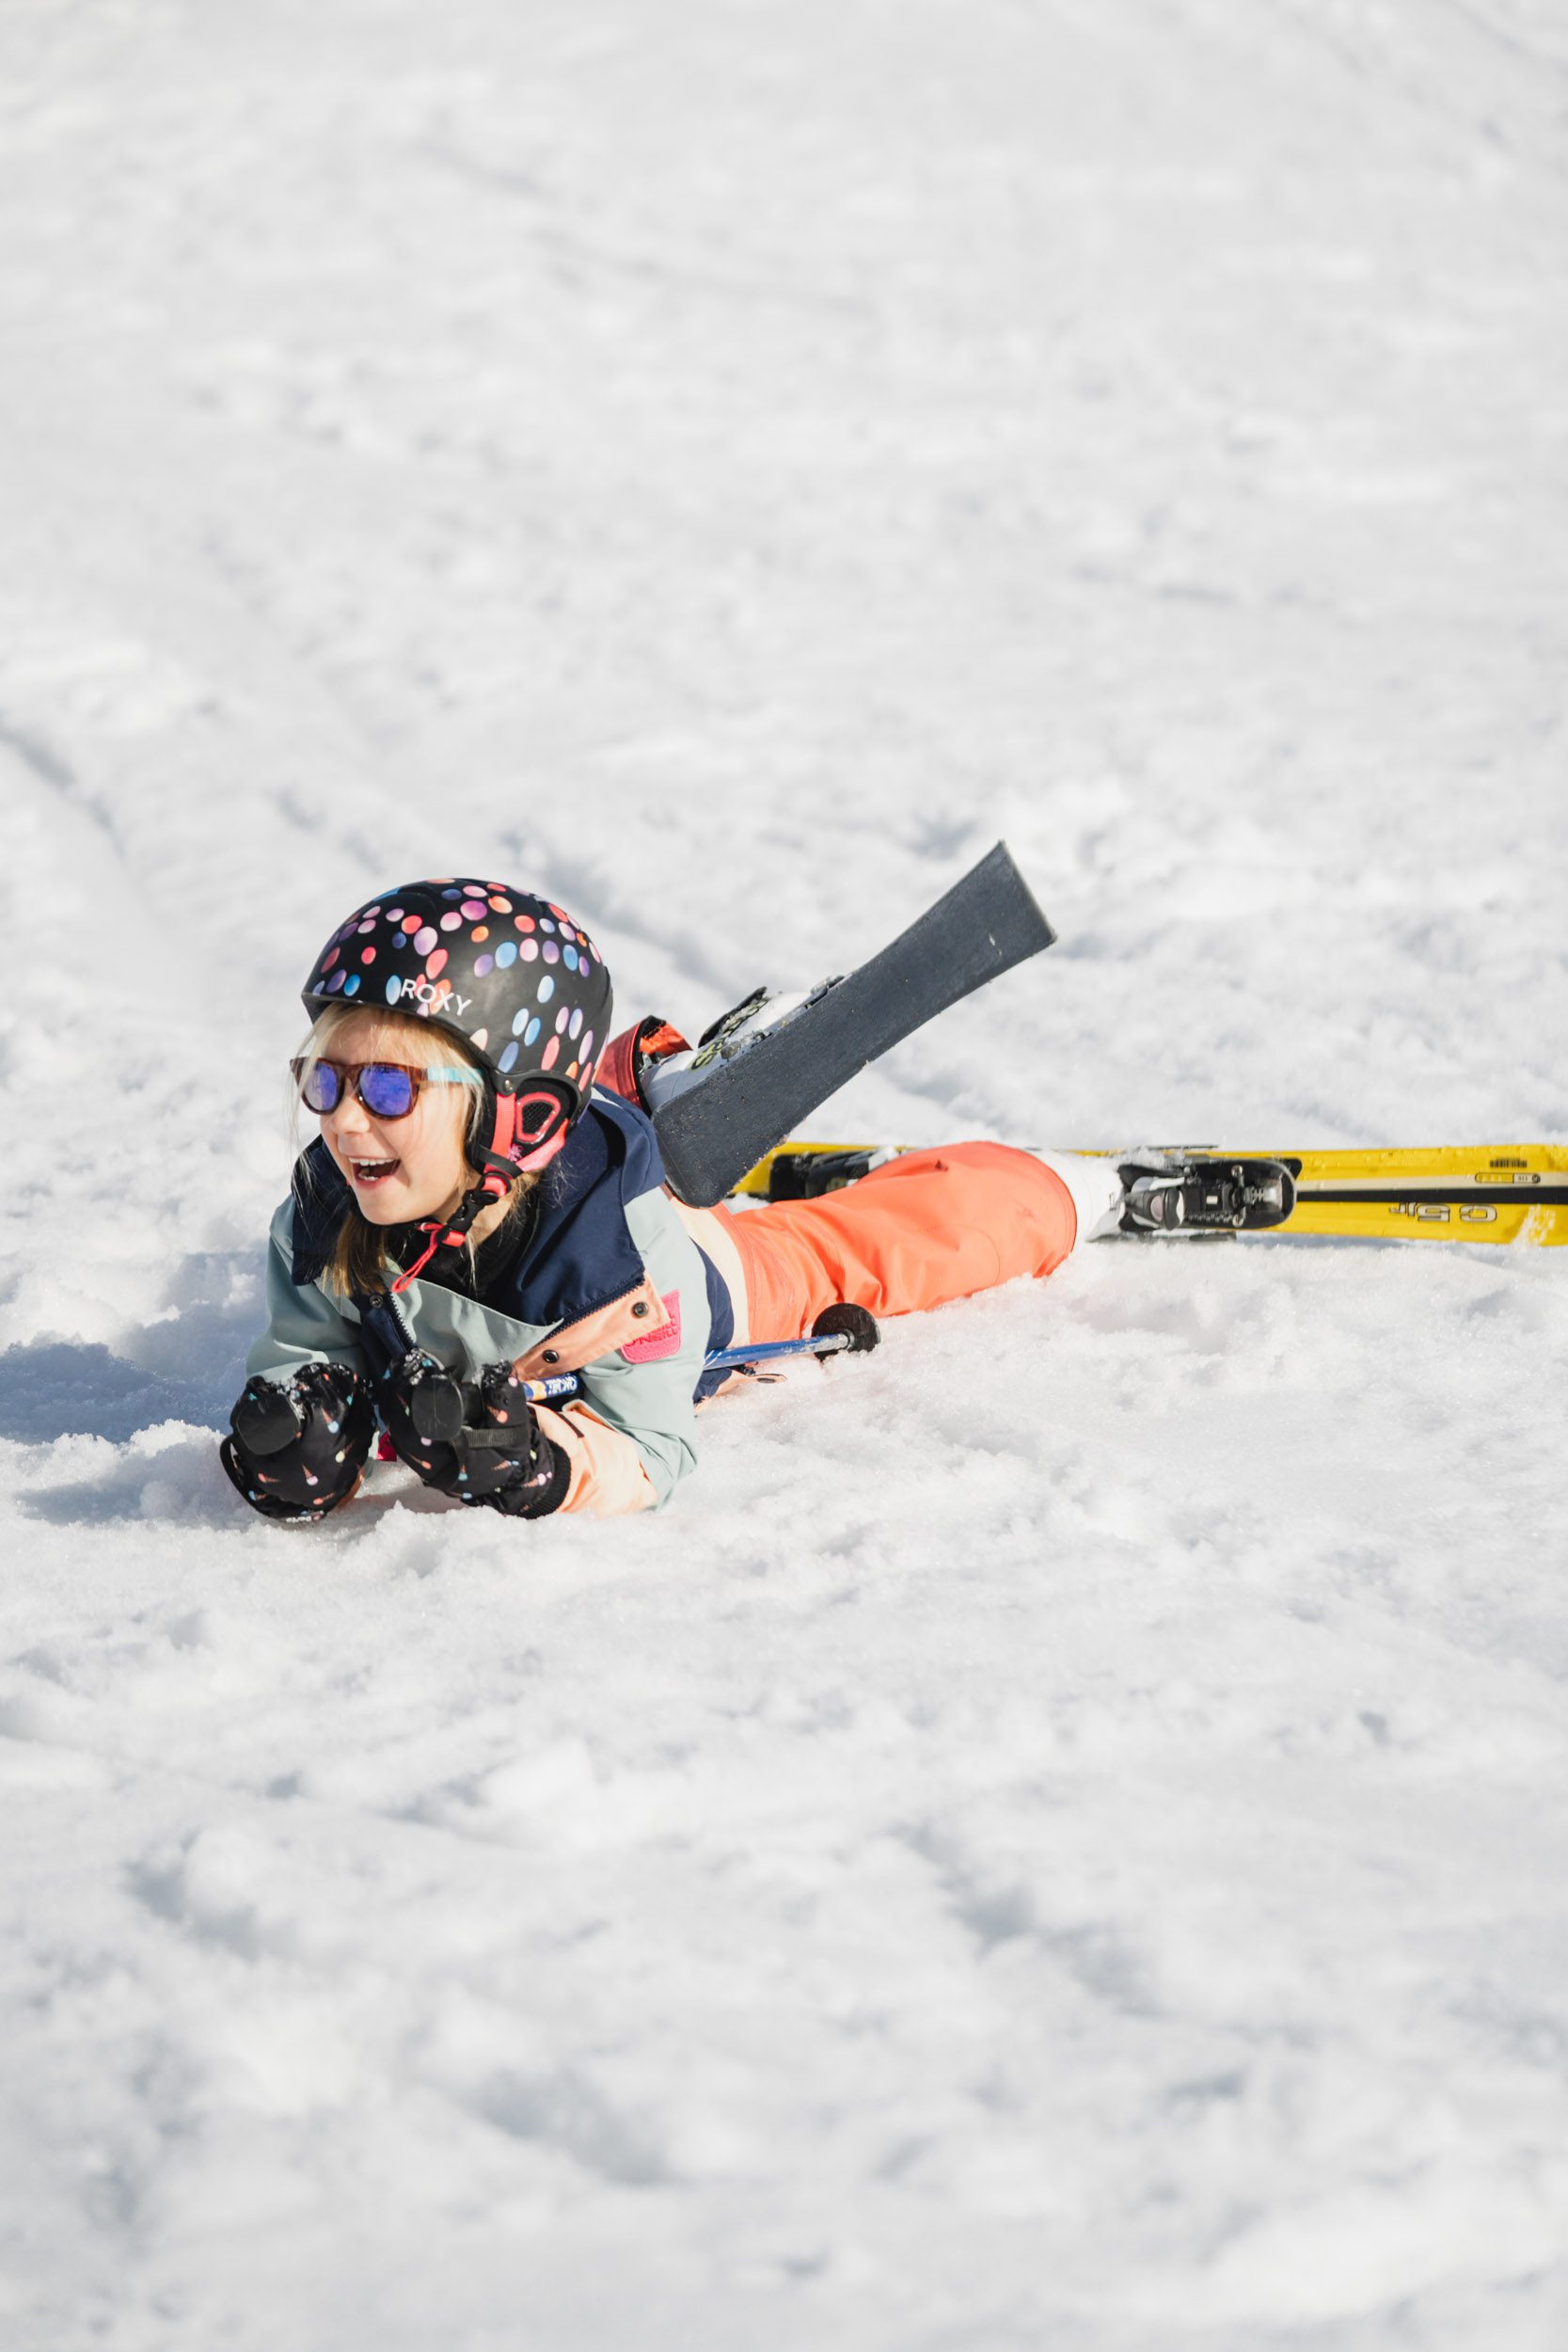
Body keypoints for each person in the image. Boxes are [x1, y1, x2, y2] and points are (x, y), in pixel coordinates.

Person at [221, 877, 1126, 1525]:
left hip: (713, 1279)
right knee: (618, 1124)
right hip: (557, 1141)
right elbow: (306, 1341)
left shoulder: (623, 1256)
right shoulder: (329, 1205)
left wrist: (543, 1464)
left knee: (881, 1249)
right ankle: (650, 1082)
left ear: (520, 1116)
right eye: (324, 1082)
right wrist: (300, 1425)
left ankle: (1045, 1186)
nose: (342, 1122)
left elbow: (650, 1449)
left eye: (386, 1091)